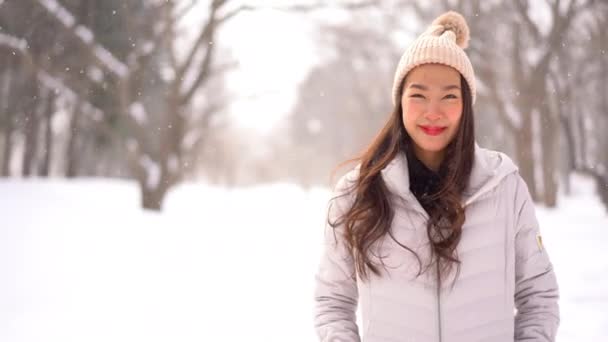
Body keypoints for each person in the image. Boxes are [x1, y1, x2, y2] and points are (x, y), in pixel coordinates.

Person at [313, 11, 559, 342]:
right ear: (399, 101)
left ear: (466, 105)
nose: (433, 111)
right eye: (418, 95)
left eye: (449, 96)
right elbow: (333, 302)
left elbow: (537, 297)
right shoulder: (357, 193)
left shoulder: (504, 186)